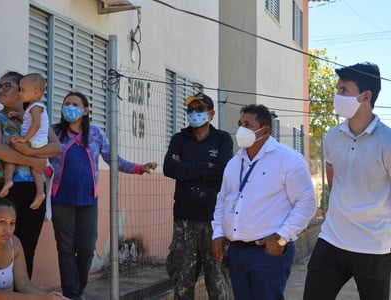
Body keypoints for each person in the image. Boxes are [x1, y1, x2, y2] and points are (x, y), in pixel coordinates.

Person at [49, 91, 157, 300]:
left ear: (86, 110)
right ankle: (72, 293)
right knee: (65, 247)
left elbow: (114, 159)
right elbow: (40, 154)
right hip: (60, 198)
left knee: (87, 247)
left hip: (88, 200)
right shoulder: (54, 132)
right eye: (67, 104)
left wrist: (139, 167)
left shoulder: (96, 134)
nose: (70, 107)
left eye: (75, 104)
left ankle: (78, 289)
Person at [303, 62, 391, 300]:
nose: (337, 95)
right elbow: (334, 182)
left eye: (344, 91)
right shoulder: (333, 136)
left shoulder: (387, 141)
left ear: (366, 96)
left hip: (373, 247)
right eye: (337, 89)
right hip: (332, 240)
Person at [211, 104, 317, 300]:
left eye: (248, 125)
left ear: (265, 130)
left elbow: (306, 203)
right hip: (236, 252)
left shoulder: (288, 159)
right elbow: (222, 199)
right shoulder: (235, 163)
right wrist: (218, 233)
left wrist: (282, 236)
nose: (241, 129)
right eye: (240, 124)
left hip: (268, 254)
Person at [0, 71, 61, 278]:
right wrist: (34, 160)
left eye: (8, 86)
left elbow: (56, 147)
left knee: (26, 249)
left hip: (33, 191)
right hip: (2, 190)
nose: (1, 90)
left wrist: (30, 151)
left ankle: (23, 292)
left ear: (23, 91)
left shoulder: (34, 116)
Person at [163, 92, 234, 299]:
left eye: (199, 109)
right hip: (184, 220)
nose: (194, 113)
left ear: (211, 113)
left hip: (214, 222)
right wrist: (205, 167)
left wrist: (186, 169)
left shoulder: (222, 139)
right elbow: (169, 168)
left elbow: (222, 171)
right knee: (183, 282)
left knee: (217, 281)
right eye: (190, 109)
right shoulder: (180, 139)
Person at [0, 196, 68, 299]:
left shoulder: (14, 243)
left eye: (12, 223)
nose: (8, 229)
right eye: (2, 222)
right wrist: (42, 298)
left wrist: (50, 297)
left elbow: (24, 284)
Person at [0, 73, 50, 210]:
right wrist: (18, 115)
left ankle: (8, 180)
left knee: (11, 155)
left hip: (33, 141)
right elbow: (28, 121)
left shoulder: (35, 107)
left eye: (23, 90)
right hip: (39, 142)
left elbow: (35, 125)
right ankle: (40, 193)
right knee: (36, 170)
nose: (20, 93)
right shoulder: (34, 107)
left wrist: (24, 139)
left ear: (35, 92)